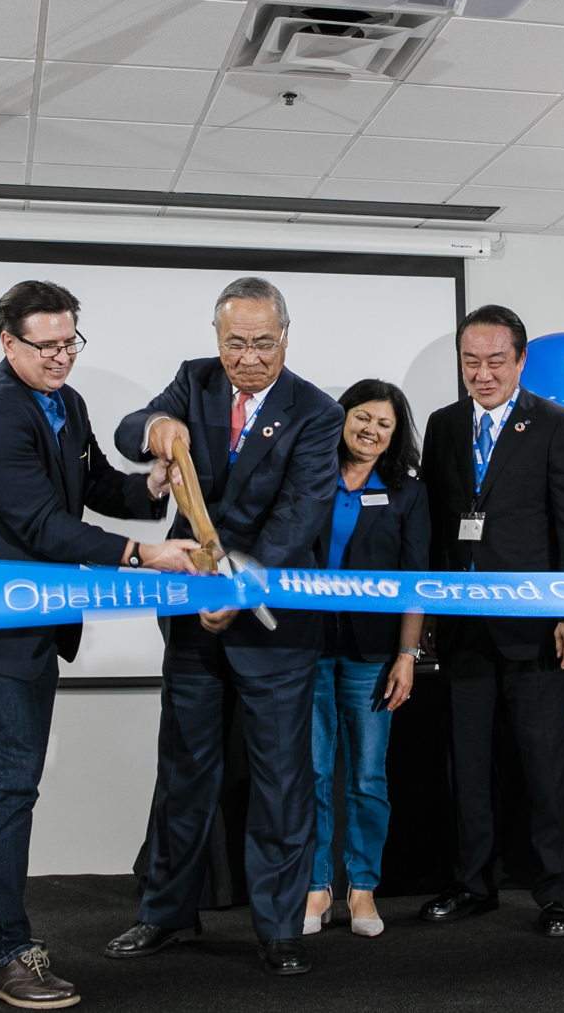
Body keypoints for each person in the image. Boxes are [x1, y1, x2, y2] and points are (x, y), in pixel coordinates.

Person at [0, 279, 193, 1010]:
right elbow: (45, 526)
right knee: (9, 784)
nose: (60, 356)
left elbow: (94, 482)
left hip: (28, 623)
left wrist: (154, 488)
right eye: (45, 345)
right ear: (7, 342)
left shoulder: (64, 402)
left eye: (70, 341)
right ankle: (5, 955)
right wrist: (142, 555)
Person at [110, 277, 343, 977]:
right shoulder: (193, 381)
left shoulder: (317, 411)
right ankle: (165, 913)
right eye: (235, 342)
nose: (248, 357)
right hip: (192, 625)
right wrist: (153, 428)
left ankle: (278, 928)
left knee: (280, 781)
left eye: (262, 342)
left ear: (285, 337)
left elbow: (301, 515)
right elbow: (130, 431)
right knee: (182, 771)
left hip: (273, 626)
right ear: (217, 339)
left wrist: (241, 589)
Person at [418, 304, 564, 938]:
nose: (483, 373)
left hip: (538, 631)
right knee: (468, 766)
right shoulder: (442, 427)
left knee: (547, 767)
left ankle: (558, 893)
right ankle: (474, 884)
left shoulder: (555, 424)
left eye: (497, 361)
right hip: (465, 629)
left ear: (521, 361)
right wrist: (431, 612)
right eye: (472, 361)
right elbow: (440, 527)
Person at [304, 379, 429, 940]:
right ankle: (315, 886)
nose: (371, 430)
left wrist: (407, 654)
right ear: (342, 417)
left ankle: (362, 888)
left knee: (368, 776)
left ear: (396, 433)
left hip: (372, 654)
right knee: (309, 773)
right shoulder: (306, 476)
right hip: (303, 647)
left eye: (384, 423)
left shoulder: (407, 491)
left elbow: (414, 581)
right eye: (362, 417)